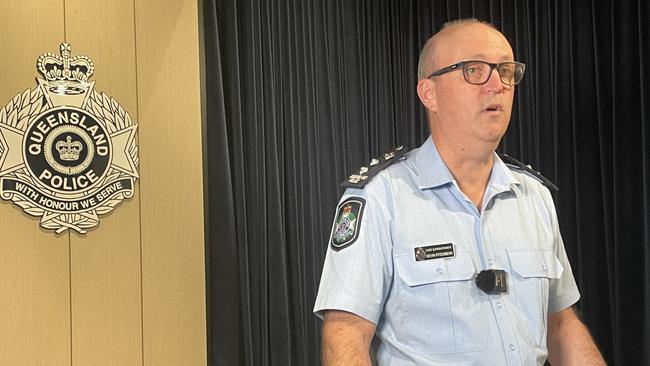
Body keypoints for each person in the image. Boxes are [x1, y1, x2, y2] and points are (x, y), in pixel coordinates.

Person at [313, 19, 606, 365]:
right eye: (474, 70)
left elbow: (560, 324)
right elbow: (345, 331)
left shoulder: (534, 196)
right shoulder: (381, 197)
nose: (497, 84)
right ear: (429, 93)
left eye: (506, 70)